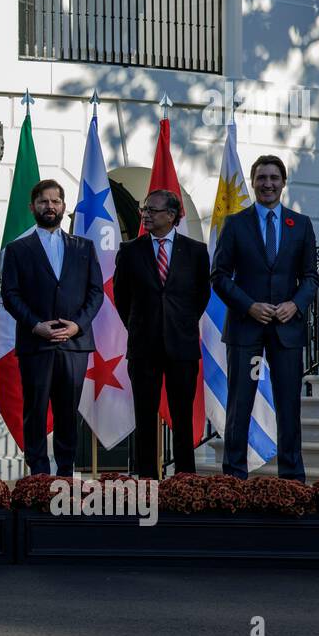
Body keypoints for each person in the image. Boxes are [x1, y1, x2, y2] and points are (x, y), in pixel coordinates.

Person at [210, 155, 317, 481]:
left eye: (274, 177)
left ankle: (292, 481)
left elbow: (311, 277)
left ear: (283, 183)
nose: (268, 184)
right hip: (246, 327)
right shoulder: (235, 223)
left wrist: (295, 305)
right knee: (240, 404)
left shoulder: (301, 224)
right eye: (261, 178)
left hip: (287, 329)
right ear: (253, 182)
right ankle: (233, 478)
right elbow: (219, 275)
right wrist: (249, 306)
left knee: (288, 407)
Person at [0, 179, 103, 476]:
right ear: (32, 207)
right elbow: (9, 294)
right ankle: (39, 477)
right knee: (34, 411)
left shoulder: (83, 247)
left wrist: (77, 325)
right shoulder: (17, 249)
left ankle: (65, 475)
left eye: (55, 201)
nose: (50, 206)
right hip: (37, 343)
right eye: (44, 201)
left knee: (67, 413)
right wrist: (35, 325)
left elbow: (96, 292)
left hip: (74, 344)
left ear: (63, 206)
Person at [113, 189, 211, 478]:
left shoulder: (195, 251)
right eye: (145, 209)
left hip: (182, 346)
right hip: (144, 346)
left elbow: (201, 296)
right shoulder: (130, 251)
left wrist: (178, 323)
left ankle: (185, 479)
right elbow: (122, 298)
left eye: (153, 210)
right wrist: (141, 326)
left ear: (171, 215)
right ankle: (147, 478)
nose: (145, 214)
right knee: (145, 415)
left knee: (182, 416)